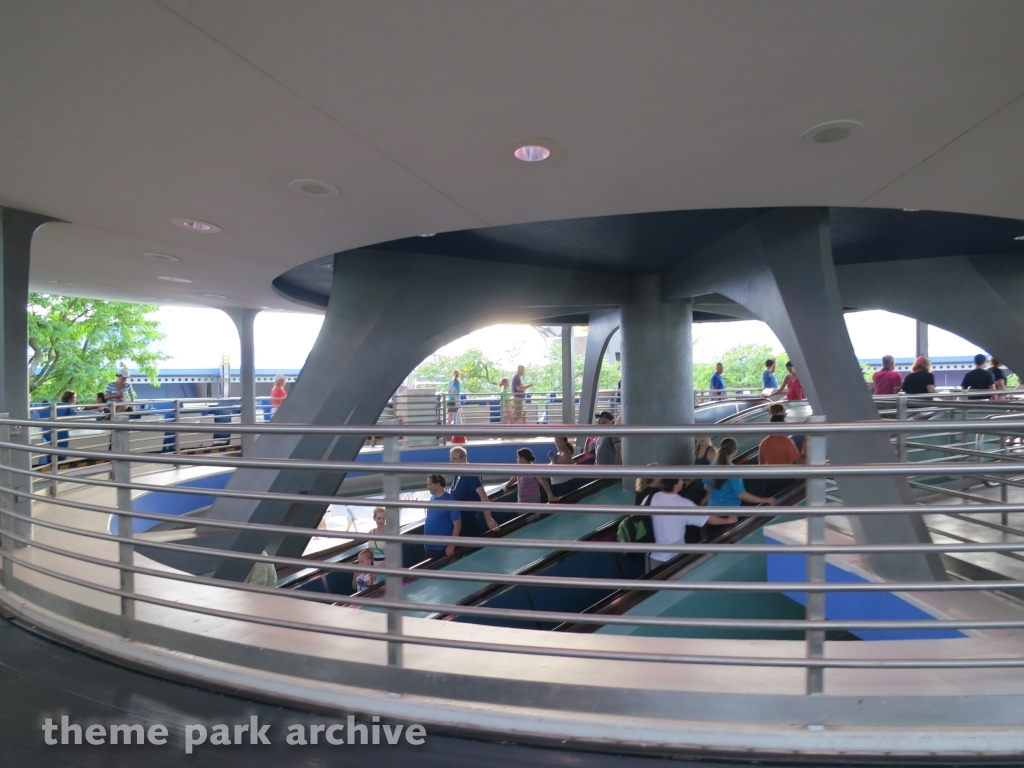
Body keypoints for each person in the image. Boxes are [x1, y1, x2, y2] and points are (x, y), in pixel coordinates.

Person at [649, 478, 738, 563]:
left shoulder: (653, 497)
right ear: (675, 484)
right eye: (680, 480)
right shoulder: (682, 503)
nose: (682, 482)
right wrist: (727, 521)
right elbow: (708, 519)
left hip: (655, 555)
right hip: (673, 557)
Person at [704, 437, 775, 507]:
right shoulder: (733, 471)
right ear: (735, 451)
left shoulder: (712, 466)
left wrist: (718, 495)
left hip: (712, 508)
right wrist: (764, 500)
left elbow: (706, 486)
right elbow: (742, 495)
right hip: (729, 511)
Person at [448, 446, 499, 536]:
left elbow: (482, 495)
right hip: (456, 518)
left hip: (466, 520)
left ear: (463, 459)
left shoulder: (470, 473)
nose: (451, 462)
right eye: (450, 459)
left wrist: (488, 518)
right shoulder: (457, 471)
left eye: (454, 459)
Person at [425, 474, 461, 557]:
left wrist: (452, 544)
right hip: (428, 546)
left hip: (442, 548)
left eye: (430, 484)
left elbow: (458, 525)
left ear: (438, 484)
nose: (428, 487)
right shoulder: (432, 499)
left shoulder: (450, 502)